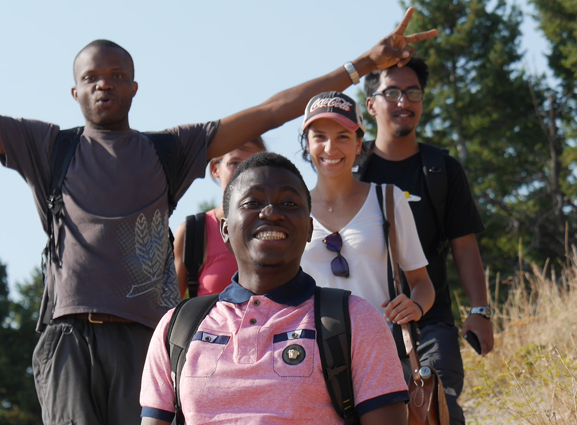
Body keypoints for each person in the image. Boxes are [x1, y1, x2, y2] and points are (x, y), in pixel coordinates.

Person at [0, 0, 436, 424]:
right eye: (92, 77)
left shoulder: (168, 150)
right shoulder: (50, 148)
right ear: (74, 90)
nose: (104, 84)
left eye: (116, 75)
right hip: (67, 336)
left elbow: (269, 111)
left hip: (145, 337)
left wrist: (361, 65)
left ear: (133, 85)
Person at [139, 152, 408, 424]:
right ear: (224, 231)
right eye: (252, 202)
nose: (270, 213)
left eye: (289, 203)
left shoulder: (356, 320)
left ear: (309, 229)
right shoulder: (176, 328)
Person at [354, 57, 491, 425]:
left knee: (437, 405)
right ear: (371, 105)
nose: (404, 101)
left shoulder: (441, 170)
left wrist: (480, 310)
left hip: (432, 322)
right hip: (362, 326)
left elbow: (464, 247)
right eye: (393, 92)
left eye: (413, 92)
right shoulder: (352, 172)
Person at [297, 92, 434, 343]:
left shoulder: (388, 199)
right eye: (319, 137)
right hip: (312, 357)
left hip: (380, 352)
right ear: (307, 143)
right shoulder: (293, 209)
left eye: (343, 137)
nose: (330, 148)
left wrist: (415, 305)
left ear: (359, 144)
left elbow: (422, 283)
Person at [173, 137, 265, 298]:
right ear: (215, 169)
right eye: (234, 163)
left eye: (253, 163)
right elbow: (168, 310)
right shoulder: (193, 233)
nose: (244, 171)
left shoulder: (279, 227)